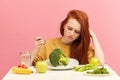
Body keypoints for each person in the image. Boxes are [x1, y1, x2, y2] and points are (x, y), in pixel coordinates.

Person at [31, 9, 105, 66]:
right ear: (64, 25)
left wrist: (94, 36)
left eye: (77, 32)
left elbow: (100, 63)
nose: (72, 33)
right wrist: (35, 49)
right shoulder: (47, 45)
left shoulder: (84, 48)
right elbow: (27, 66)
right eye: (69, 28)